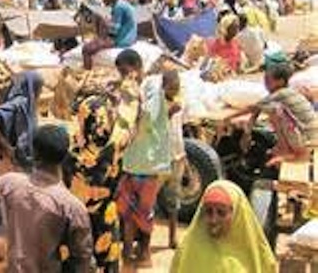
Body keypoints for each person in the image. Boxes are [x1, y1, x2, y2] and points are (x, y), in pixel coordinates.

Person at [0, 125, 93, 273]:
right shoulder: (73, 207)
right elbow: (82, 261)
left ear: (34, 152)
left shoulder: (3, 186)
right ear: (65, 156)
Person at [116, 55, 173, 268]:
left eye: (126, 71)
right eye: (121, 72)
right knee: (128, 211)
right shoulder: (134, 89)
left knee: (144, 211)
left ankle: (144, 252)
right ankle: (128, 251)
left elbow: (148, 116)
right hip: (132, 161)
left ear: (138, 68)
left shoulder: (152, 86)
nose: (125, 76)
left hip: (149, 162)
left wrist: (132, 101)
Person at [62, 94, 122, 273]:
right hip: (106, 218)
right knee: (106, 262)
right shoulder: (115, 147)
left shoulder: (71, 153)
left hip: (75, 221)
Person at [170, 180, 277, 273]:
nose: (213, 220)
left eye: (221, 213)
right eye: (208, 212)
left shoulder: (258, 257)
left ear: (236, 214)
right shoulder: (187, 252)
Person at [228, 63, 318, 166]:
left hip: (308, 137)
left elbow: (253, 108)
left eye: (268, 80)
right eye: (265, 79)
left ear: (280, 81)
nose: (265, 83)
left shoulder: (281, 94)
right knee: (273, 110)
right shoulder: (287, 93)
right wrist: (247, 133)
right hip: (310, 133)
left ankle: (294, 154)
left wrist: (228, 117)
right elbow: (257, 110)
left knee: (275, 112)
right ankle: (287, 149)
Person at [0, 71, 43, 213]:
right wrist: (5, 146)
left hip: (23, 159)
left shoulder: (28, 104)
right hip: (15, 161)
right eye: (39, 87)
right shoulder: (21, 102)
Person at [82, 0, 137, 70]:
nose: (104, 1)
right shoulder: (122, 4)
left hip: (122, 39)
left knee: (86, 49)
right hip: (128, 37)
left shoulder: (118, 7)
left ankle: (87, 72)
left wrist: (101, 38)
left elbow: (113, 32)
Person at [161, 70, 185, 249]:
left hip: (177, 157)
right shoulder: (159, 105)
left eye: (177, 88)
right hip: (160, 160)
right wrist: (169, 113)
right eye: (171, 88)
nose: (175, 91)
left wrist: (184, 155)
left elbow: (179, 132)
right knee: (149, 199)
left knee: (174, 201)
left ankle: (172, 237)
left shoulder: (178, 103)